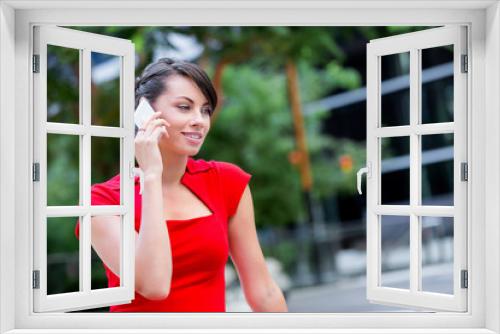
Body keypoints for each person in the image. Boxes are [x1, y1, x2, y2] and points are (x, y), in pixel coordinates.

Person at [75, 57, 288, 312]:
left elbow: (263, 292)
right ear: (144, 113)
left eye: (205, 109)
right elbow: (154, 285)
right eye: (185, 107)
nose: (200, 120)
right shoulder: (102, 200)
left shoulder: (226, 181)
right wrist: (152, 176)